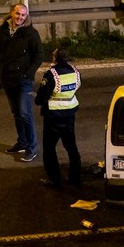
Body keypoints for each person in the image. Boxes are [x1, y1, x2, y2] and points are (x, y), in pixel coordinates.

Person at [0, 3, 44, 162]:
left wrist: (28, 74)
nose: (20, 17)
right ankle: (21, 143)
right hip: (8, 79)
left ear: (26, 16)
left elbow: (39, 55)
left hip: (23, 80)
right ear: (11, 14)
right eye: (17, 14)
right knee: (16, 113)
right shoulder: (3, 31)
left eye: (23, 15)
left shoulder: (30, 33)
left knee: (25, 113)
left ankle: (31, 148)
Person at [35, 47, 82, 188]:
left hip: (53, 116)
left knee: (49, 149)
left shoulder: (51, 74)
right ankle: (75, 176)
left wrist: (40, 99)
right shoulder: (75, 71)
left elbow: (41, 98)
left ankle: (54, 179)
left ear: (56, 58)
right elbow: (76, 87)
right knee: (71, 147)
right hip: (69, 115)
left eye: (53, 55)